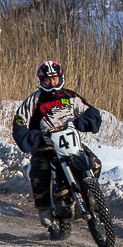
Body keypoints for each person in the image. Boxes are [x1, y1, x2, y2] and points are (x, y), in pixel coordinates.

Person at [11, 60, 103, 233]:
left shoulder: (71, 96)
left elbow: (91, 111)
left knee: (95, 163)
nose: (52, 83)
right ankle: (44, 207)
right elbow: (19, 122)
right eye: (48, 80)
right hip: (46, 145)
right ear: (41, 81)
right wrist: (31, 136)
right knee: (39, 171)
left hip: (71, 143)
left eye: (55, 79)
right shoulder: (33, 101)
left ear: (61, 78)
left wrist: (84, 121)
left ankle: (91, 194)